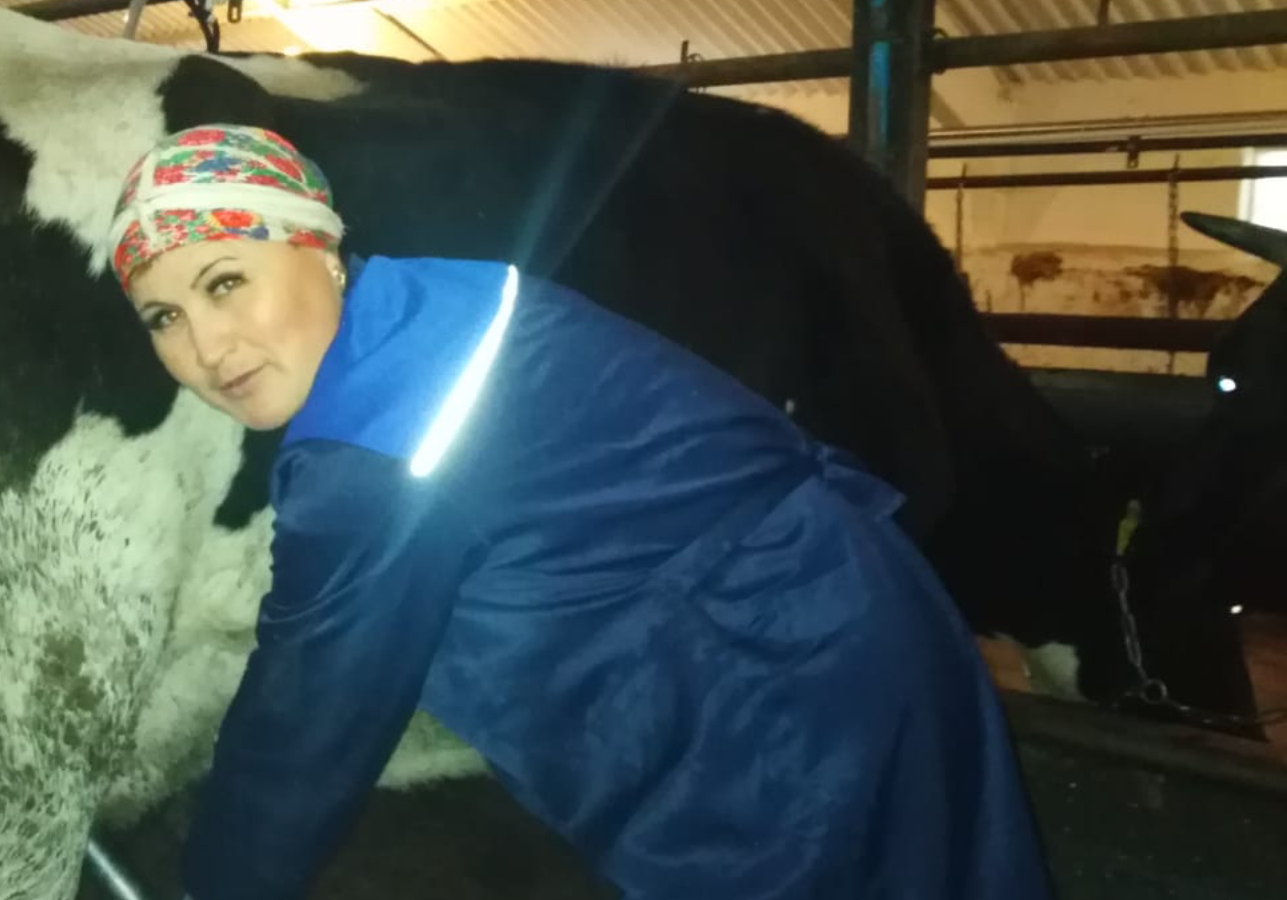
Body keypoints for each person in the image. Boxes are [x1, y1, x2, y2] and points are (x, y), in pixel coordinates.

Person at [107, 124, 1055, 900]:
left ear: (317, 246)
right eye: (163, 318)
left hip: (781, 697)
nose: (208, 349)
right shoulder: (428, 298)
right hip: (835, 611)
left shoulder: (372, 438)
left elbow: (308, 713)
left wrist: (217, 884)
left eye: (225, 281)